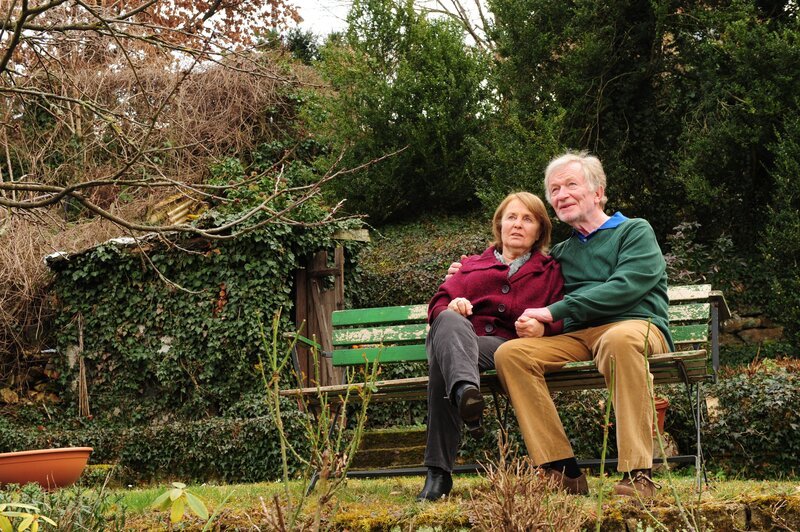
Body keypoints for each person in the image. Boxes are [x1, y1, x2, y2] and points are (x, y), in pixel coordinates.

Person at [472, 151, 673, 498]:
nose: (561, 194)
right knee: (512, 354)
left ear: (598, 192)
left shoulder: (634, 231)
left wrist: (552, 312)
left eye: (570, 185)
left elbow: (625, 288)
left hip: (637, 325)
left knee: (618, 340)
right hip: (578, 336)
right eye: (554, 189)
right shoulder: (562, 253)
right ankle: (562, 470)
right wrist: (467, 273)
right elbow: (516, 277)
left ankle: (638, 473)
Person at [417, 192, 565, 502]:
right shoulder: (471, 265)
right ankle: (465, 392)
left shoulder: (550, 271)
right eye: (511, 217)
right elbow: (438, 303)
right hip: (460, 339)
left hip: (505, 347)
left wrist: (543, 327)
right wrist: (453, 304)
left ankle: (438, 473)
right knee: (447, 321)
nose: (518, 224)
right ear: (499, 225)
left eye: (528, 219)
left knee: (443, 362)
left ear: (540, 230)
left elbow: (563, 314)